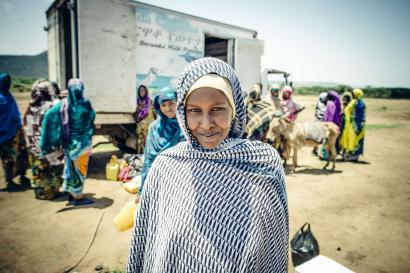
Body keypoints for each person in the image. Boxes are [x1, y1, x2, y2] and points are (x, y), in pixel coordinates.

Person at [127, 57, 288, 273]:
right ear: (183, 113)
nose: (206, 123)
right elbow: (148, 244)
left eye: (217, 109)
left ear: (235, 108)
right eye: (194, 110)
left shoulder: (264, 163)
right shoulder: (166, 167)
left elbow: (273, 243)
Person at [40, 79, 96, 205]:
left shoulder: (64, 104)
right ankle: (78, 198)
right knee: (80, 172)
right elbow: (92, 116)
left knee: (70, 169)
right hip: (82, 145)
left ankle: (72, 194)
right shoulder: (86, 103)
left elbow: (49, 116)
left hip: (69, 144)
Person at [23, 81, 63, 199]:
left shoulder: (30, 106)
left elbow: (26, 126)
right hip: (47, 146)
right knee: (51, 169)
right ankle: (50, 193)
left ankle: (39, 192)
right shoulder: (50, 107)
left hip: (33, 145)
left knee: (38, 169)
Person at [139, 87, 184, 193]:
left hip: (182, 181)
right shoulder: (154, 128)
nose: (167, 109)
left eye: (171, 103)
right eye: (163, 105)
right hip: (159, 180)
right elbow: (148, 160)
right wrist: (142, 189)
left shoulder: (187, 126)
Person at [0, 73, 29, 191]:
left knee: (22, 154)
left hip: (16, 131)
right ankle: (10, 181)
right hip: (4, 135)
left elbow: (14, 112)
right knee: (8, 158)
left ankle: (23, 176)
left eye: (9, 82)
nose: (8, 84)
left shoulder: (9, 96)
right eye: (5, 82)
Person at [340, 88, 366, 161]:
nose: (352, 95)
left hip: (352, 125)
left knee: (350, 139)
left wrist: (348, 119)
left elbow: (346, 111)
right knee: (357, 140)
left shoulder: (354, 102)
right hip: (361, 124)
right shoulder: (363, 102)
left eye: (353, 94)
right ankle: (355, 156)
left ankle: (348, 156)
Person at [135, 85, 155, 154]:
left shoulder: (149, 101)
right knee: (140, 143)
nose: (141, 92)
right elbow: (136, 115)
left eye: (143, 90)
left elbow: (150, 113)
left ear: (146, 91)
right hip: (140, 127)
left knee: (149, 143)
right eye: (140, 90)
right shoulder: (137, 102)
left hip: (148, 127)